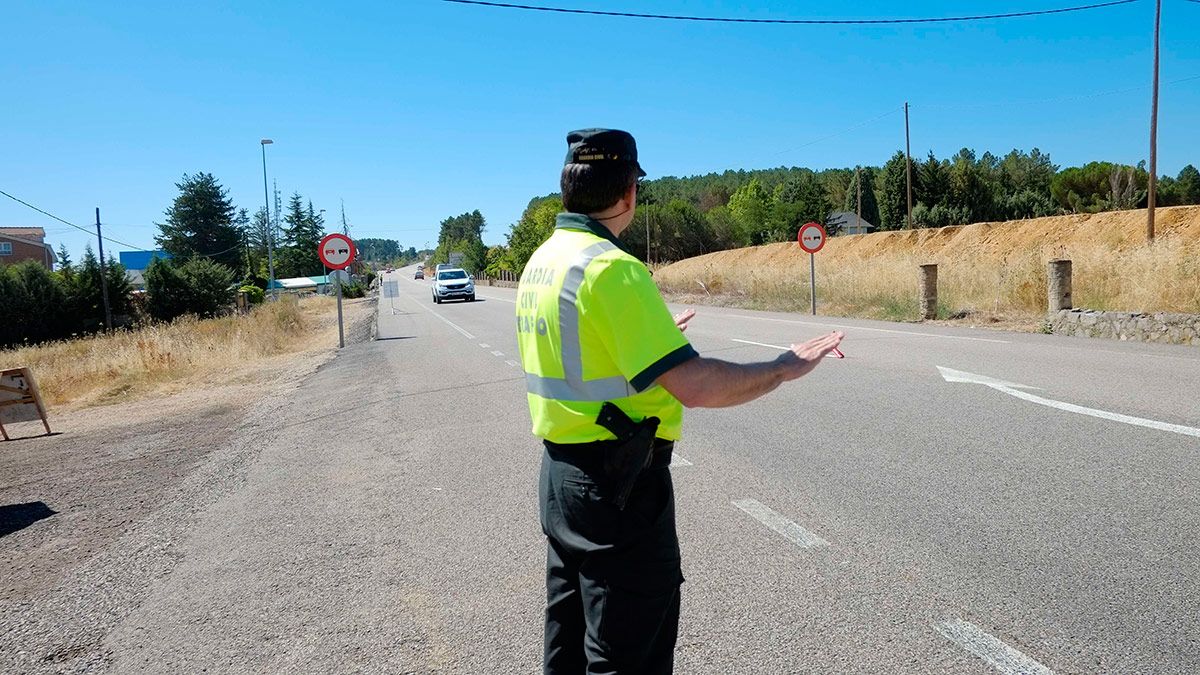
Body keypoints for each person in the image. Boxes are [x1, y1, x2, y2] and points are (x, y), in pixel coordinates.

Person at [516, 128, 844, 674]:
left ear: (568, 188)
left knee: (568, 644)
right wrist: (782, 368)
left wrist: (653, 338)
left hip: (561, 480)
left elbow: (582, 348)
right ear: (629, 193)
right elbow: (695, 385)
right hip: (618, 488)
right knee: (626, 656)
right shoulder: (611, 267)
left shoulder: (545, 260)